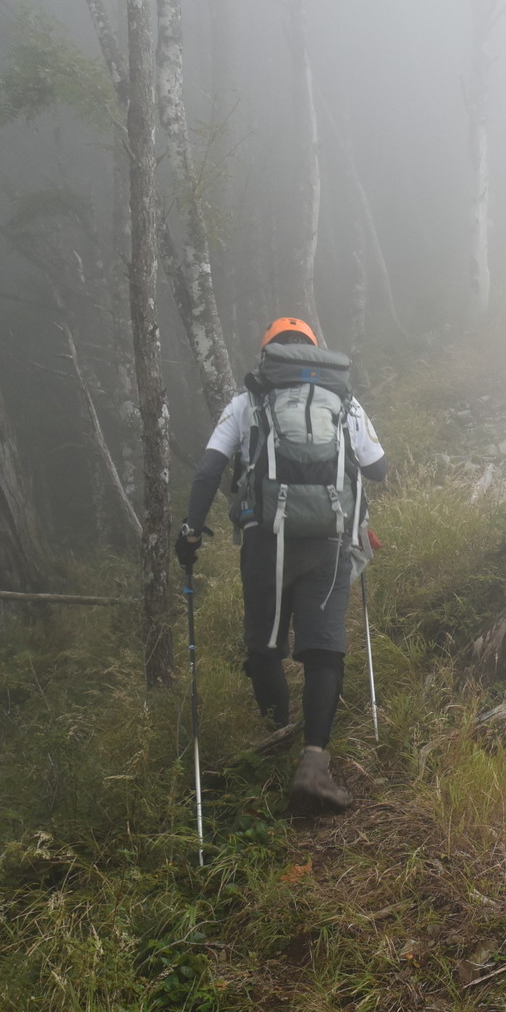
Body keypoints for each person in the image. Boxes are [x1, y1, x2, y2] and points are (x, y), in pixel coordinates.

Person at [176, 317, 387, 813]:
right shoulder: (344, 400)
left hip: (265, 538)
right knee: (324, 649)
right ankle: (313, 764)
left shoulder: (249, 399)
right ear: (314, 351)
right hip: (329, 538)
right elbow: (378, 468)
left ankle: (277, 738)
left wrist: (190, 530)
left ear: (269, 352)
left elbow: (209, 469)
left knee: (266, 644)